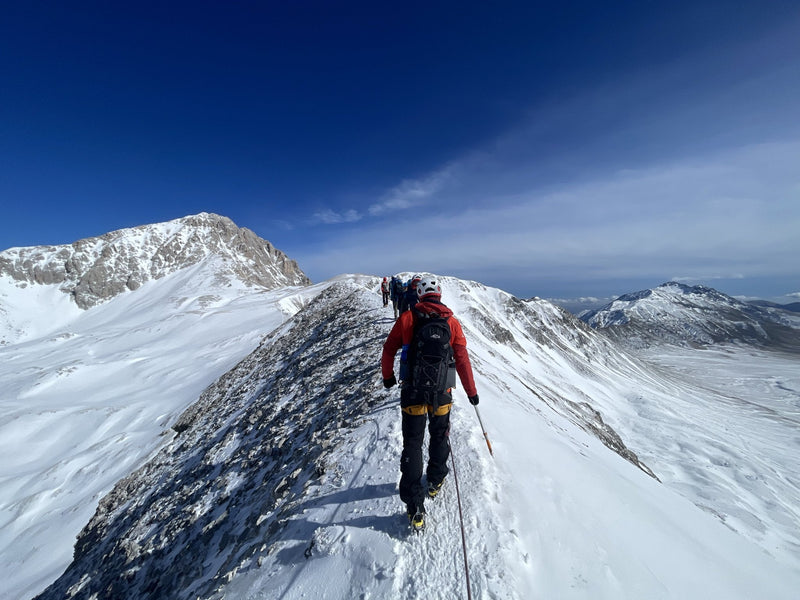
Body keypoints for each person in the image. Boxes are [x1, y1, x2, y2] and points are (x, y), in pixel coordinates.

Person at [381, 275, 480, 530]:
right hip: (442, 393)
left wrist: (388, 377)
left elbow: (388, 350)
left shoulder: (407, 318)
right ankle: (435, 481)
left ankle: (414, 504)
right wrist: (471, 392)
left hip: (412, 392)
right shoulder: (453, 323)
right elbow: (462, 360)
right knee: (439, 435)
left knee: (413, 443)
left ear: (420, 295)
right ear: (439, 295)